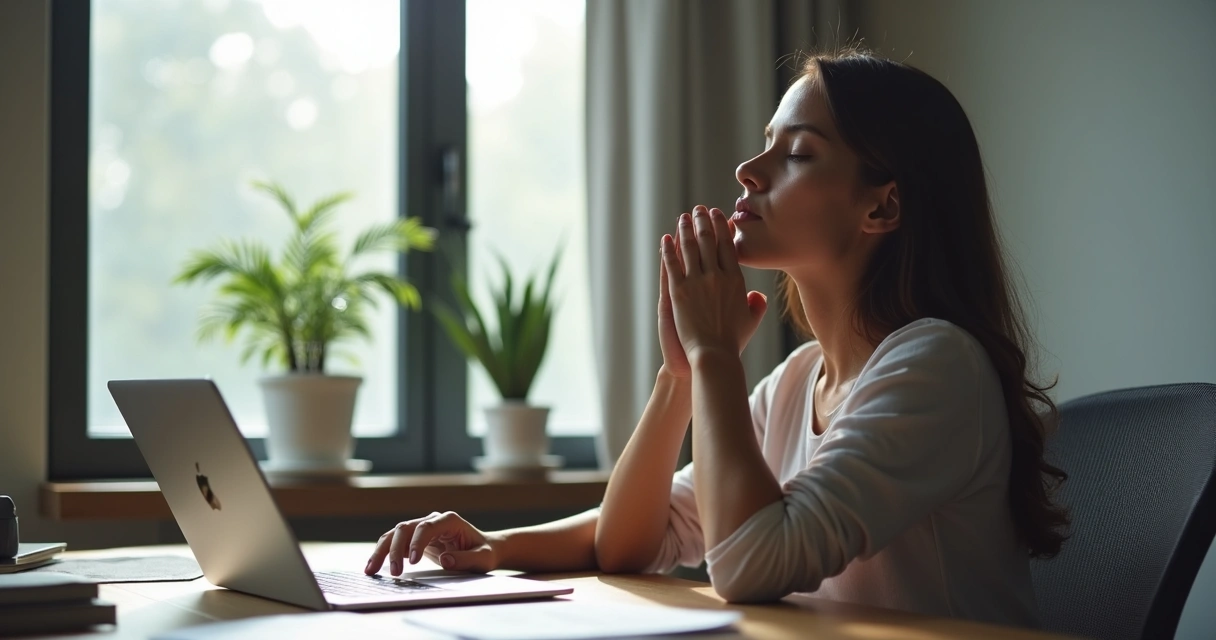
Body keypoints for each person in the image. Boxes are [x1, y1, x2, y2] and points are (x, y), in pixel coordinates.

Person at [363, 48, 1069, 627]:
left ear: (881, 205)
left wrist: (714, 357)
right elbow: (632, 540)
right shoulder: (799, 380)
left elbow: (749, 565)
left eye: (796, 154)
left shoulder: (936, 364)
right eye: (766, 144)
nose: (748, 172)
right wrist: (494, 545)